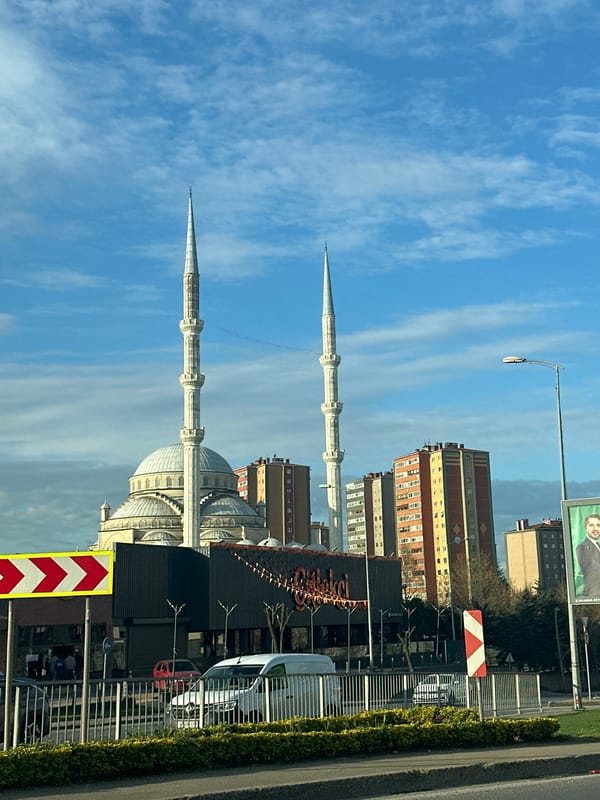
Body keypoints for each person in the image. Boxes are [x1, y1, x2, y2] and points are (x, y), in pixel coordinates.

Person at [575, 512, 600, 597]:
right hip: (594, 594)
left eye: (598, 525)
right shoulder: (582, 548)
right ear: (586, 528)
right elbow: (591, 571)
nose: (595, 528)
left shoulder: (598, 545)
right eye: (591, 525)